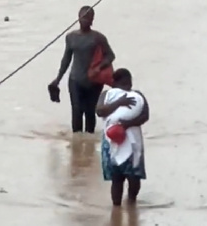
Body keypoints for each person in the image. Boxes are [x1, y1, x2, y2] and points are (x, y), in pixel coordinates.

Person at [50, 6, 115, 134]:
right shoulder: (71, 37)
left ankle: (89, 141)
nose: (85, 20)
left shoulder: (98, 38)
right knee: (77, 110)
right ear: (78, 18)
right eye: (83, 17)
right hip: (75, 79)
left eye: (88, 18)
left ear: (92, 20)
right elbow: (66, 59)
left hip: (94, 81)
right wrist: (57, 79)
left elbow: (110, 55)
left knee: (90, 111)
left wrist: (99, 68)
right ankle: (77, 142)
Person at [96, 68, 149, 206]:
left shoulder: (137, 95)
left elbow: (145, 116)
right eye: (126, 82)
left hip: (129, 141)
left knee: (130, 177)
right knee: (120, 178)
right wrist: (119, 102)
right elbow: (100, 111)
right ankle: (123, 207)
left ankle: (126, 205)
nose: (128, 85)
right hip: (114, 141)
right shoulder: (107, 95)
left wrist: (126, 125)